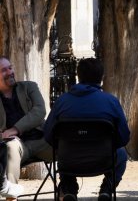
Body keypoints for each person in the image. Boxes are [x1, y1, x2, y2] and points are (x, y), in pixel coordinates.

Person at [43, 58, 130, 201]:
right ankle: (106, 191)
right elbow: (124, 137)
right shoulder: (111, 101)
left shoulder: (62, 101)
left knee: (62, 151)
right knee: (121, 155)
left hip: (69, 161)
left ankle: (69, 189)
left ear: (79, 76)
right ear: (101, 77)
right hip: (103, 160)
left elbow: (48, 135)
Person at [0, 56, 53, 200]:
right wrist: (5, 136)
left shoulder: (29, 87)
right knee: (10, 147)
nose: (10, 72)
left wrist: (15, 129)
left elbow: (39, 111)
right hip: (18, 146)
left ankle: (67, 192)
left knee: (66, 144)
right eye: (4, 70)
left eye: (10, 68)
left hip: (42, 140)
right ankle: (11, 197)